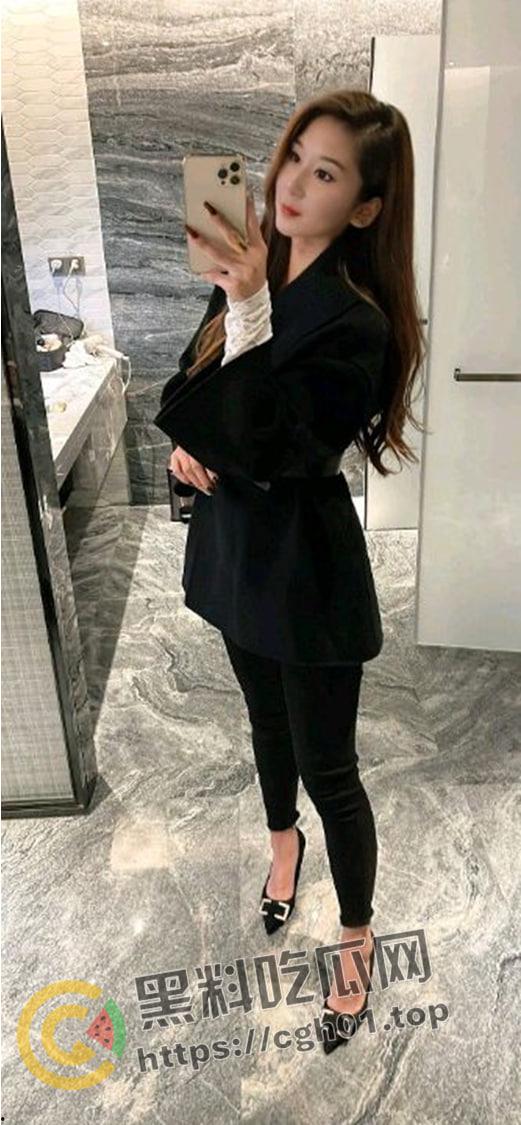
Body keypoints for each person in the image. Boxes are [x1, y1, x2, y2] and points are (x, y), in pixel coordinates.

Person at [153, 88, 426, 1048]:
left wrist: (249, 305)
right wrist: (187, 447)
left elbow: (289, 447)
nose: (292, 182)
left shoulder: (356, 322)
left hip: (305, 572)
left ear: (365, 207)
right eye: (294, 156)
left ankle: (354, 934)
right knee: (262, 721)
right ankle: (281, 843)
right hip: (234, 550)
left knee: (330, 766)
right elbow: (190, 386)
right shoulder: (248, 260)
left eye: (326, 172)